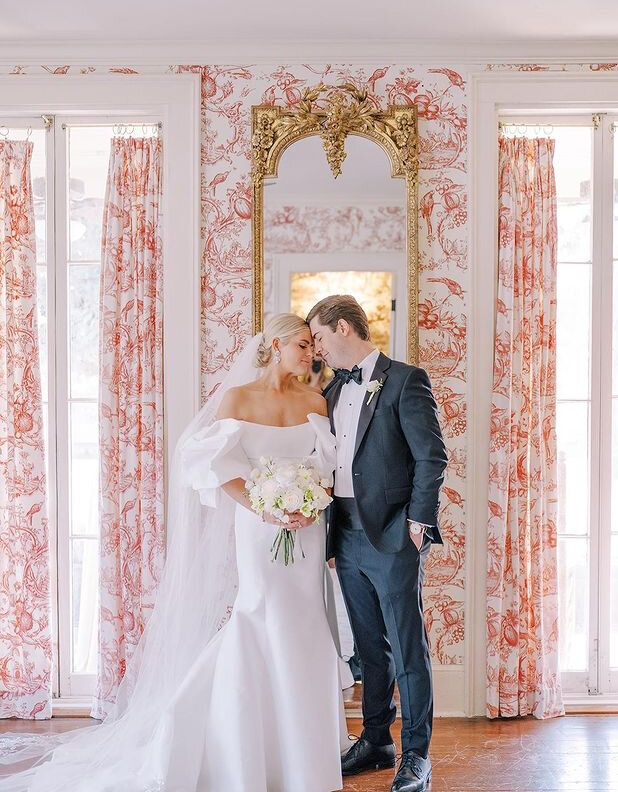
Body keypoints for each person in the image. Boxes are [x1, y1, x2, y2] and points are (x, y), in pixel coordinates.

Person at [0, 314, 348, 792]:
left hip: (307, 530)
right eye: (303, 345)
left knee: (305, 623)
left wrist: (310, 506)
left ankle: (302, 760)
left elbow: (325, 469)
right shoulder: (238, 399)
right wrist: (265, 509)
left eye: (313, 347)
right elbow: (217, 465)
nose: (311, 355)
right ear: (276, 344)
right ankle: (231, 745)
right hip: (259, 527)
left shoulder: (315, 401)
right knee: (258, 616)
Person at [308, 295, 448, 792]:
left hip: (393, 535)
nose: (317, 348)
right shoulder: (329, 389)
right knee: (369, 650)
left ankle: (416, 756)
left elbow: (432, 457)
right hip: (343, 533)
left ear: (343, 327)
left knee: (407, 648)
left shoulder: (406, 380)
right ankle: (375, 741)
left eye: (320, 337)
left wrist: (419, 522)